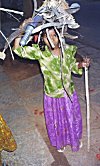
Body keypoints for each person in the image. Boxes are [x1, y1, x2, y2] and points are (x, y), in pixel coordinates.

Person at [13, 21, 90, 152]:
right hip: (53, 96)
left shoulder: (66, 50)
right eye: (48, 37)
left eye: (55, 35)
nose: (52, 39)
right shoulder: (41, 53)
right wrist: (22, 31)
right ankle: (60, 142)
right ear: (42, 40)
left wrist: (81, 65)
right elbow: (18, 50)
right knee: (58, 121)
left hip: (68, 94)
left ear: (60, 35)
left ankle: (74, 138)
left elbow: (71, 66)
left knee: (71, 118)